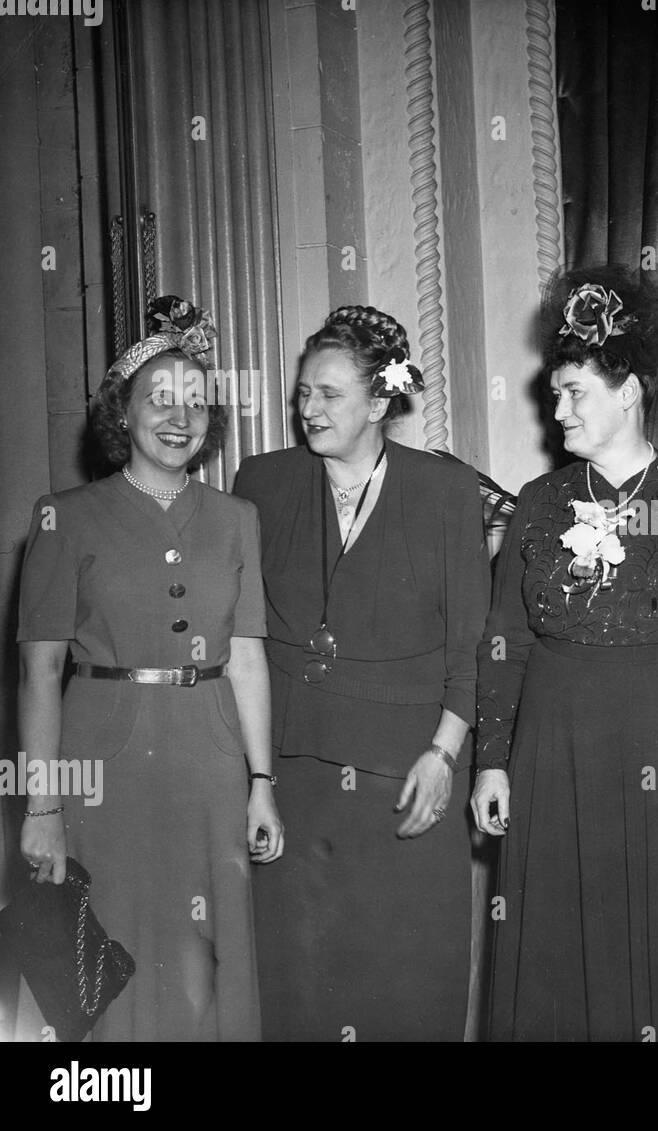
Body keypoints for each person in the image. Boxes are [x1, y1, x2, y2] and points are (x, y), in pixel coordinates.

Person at [473, 266, 658, 1041]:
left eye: (575, 391)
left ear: (630, 390)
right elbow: (503, 642)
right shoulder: (539, 502)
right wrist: (493, 760)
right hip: (556, 748)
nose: (557, 407)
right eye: (555, 392)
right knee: (561, 946)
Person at [16, 296, 282, 1041]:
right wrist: (42, 807)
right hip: (105, 765)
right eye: (159, 398)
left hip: (212, 760)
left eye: (196, 402)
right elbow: (38, 674)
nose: (180, 416)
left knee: (208, 958)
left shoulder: (237, 519)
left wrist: (262, 783)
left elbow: (251, 657)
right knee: (118, 954)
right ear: (121, 413)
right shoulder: (62, 516)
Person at [233, 306, 490, 1041]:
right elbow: (241, 633)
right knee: (301, 979)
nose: (308, 409)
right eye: (303, 392)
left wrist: (444, 755)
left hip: (403, 773)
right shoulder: (263, 482)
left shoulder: (445, 491)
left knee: (403, 979)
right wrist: (255, 777)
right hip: (295, 774)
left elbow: (470, 643)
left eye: (330, 394)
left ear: (380, 402)